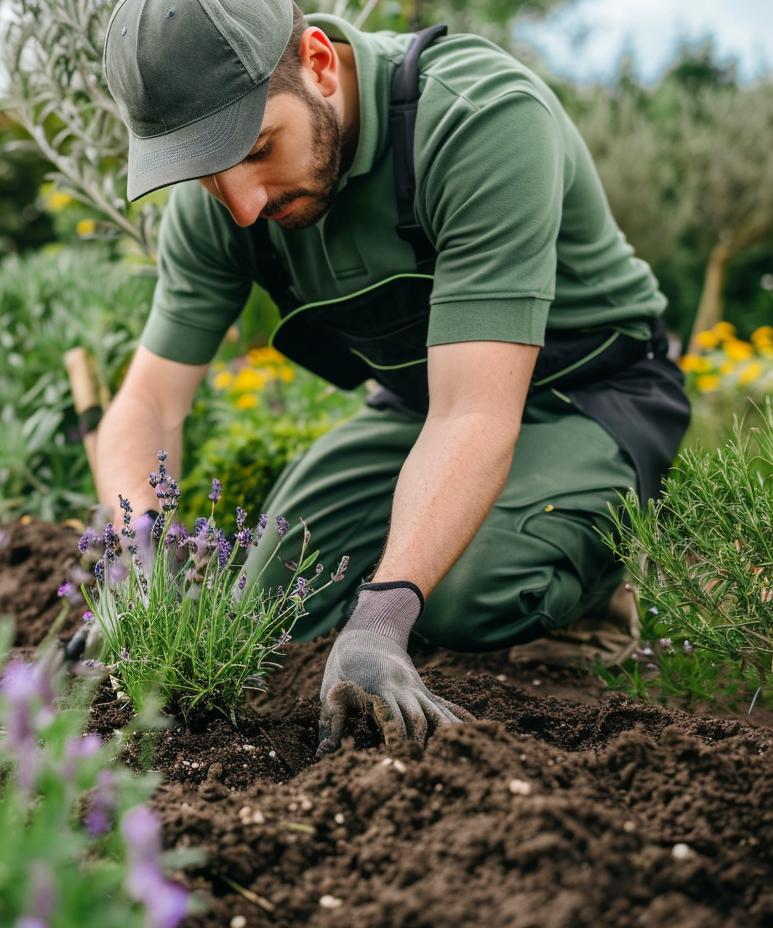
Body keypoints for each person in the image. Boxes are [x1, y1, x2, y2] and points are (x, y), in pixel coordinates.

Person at [93, 0, 690, 750]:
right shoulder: (222, 205)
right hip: (420, 406)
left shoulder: (477, 120)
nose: (242, 205)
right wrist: (136, 558)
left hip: (589, 395)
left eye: (256, 147)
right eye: (209, 173)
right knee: (266, 614)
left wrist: (381, 620)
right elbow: (148, 401)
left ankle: (594, 593)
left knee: (463, 599)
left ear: (317, 63)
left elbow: (475, 413)